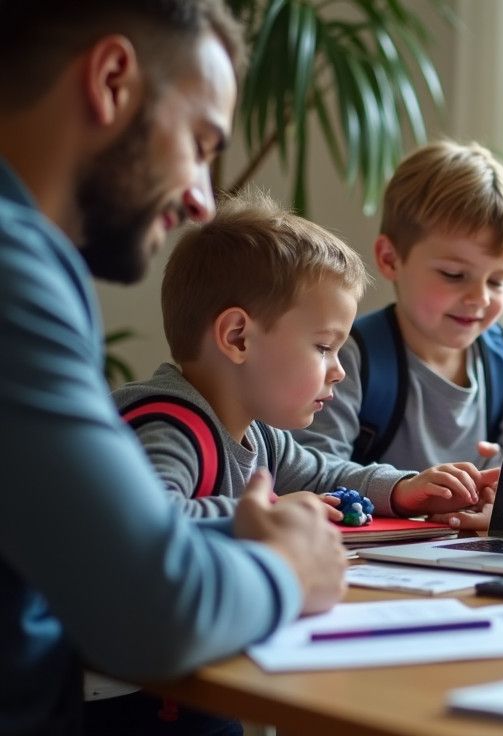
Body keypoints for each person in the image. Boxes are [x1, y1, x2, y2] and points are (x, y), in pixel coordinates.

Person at [0, 2, 345, 733]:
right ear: (112, 80)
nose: (197, 200)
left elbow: (107, 549)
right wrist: (291, 570)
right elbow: (154, 611)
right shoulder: (11, 270)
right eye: (200, 141)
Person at [113, 191, 497, 520]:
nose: (339, 372)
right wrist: (268, 510)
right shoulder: (170, 427)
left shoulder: (260, 434)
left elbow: (326, 476)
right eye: (324, 348)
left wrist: (403, 489)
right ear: (238, 337)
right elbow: (148, 519)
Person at [294, 140, 503, 530]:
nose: (479, 298)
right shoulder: (347, 358)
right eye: (454, 275)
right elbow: (307, 471)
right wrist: (407, 491)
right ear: (390, 259)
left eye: (498, 280)